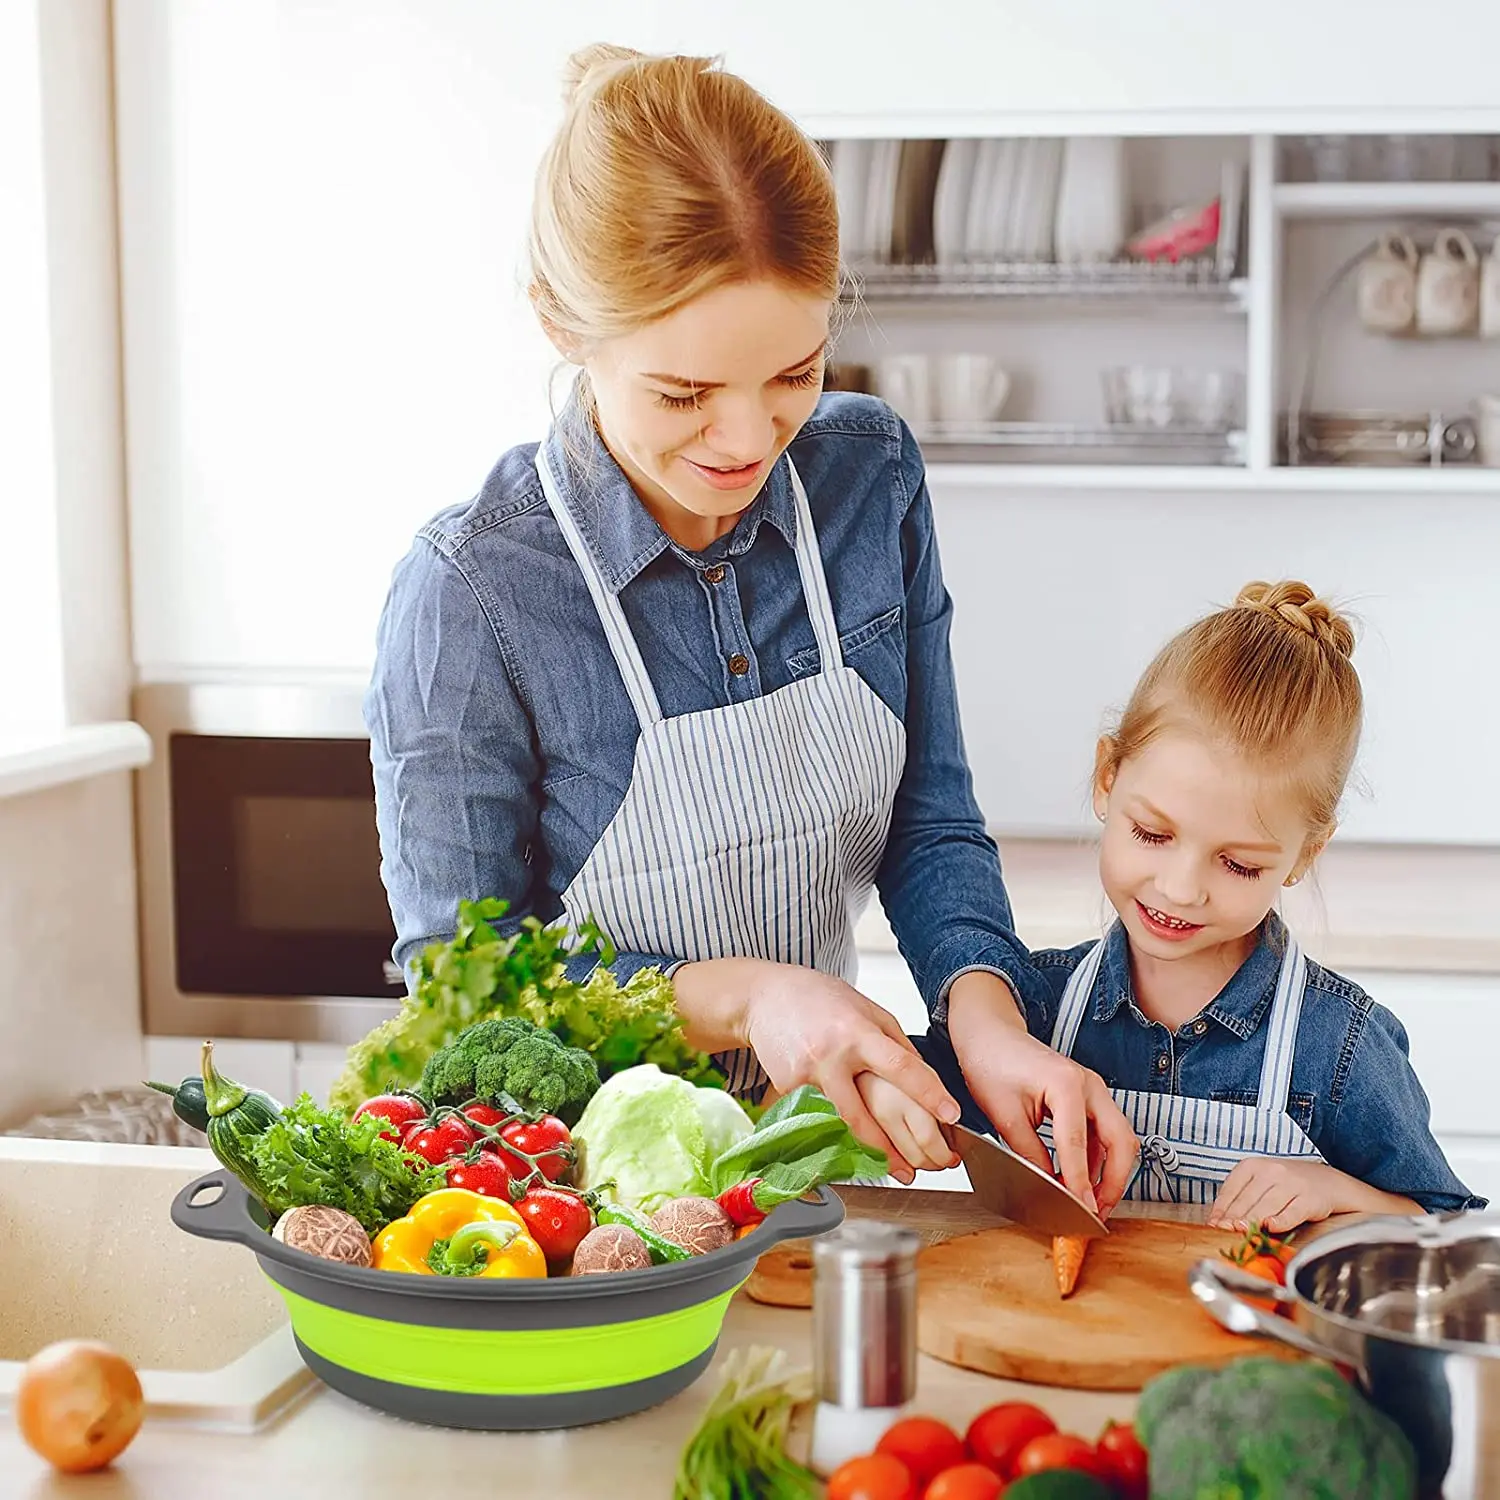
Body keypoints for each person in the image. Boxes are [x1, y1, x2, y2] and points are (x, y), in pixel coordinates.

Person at [362, 42, 1138, 1208]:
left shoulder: (868, 477)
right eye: (683, 394)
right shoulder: (472, 592)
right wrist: (752, 996)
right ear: (562, 324)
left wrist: (989, 1021)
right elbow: (462, 987)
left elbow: (927, 821)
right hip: (569, 1206)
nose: (745, 439)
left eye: (794, 375)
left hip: (810, 1158)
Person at [909, 580, 1486, 1228]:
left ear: (1305, 854)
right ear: (1107, 778)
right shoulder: (1029, 1004)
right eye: (1152, 834)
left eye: (1238, 864)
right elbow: (898, 1089)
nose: (1181, 889)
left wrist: (1336, 1192)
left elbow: (1446, 1227)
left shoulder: (1339, 1046)